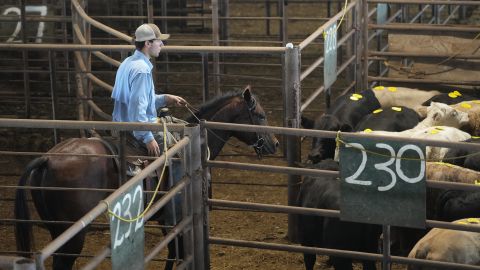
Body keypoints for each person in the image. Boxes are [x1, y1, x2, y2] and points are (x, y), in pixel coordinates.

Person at [111, 23, 187, 157]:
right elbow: (137, 107)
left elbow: (139, 100)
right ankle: (177, 178)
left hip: (121, 124)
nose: (162, 44)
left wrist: (165, 98)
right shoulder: (142, 70)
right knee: (181, 153)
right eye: (159, 41)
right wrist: (147, 137)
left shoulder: (128, 62)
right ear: (148, 43)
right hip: (135, 128)